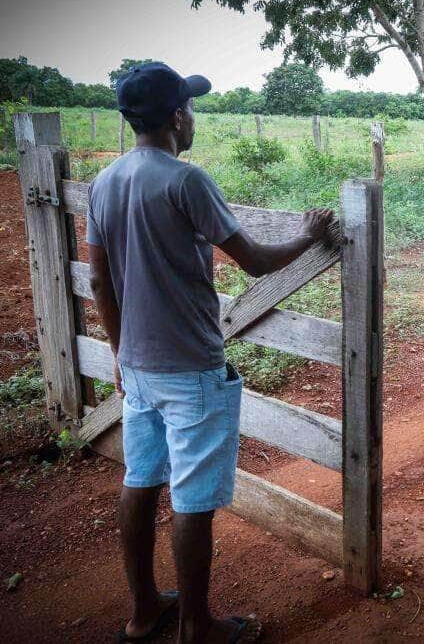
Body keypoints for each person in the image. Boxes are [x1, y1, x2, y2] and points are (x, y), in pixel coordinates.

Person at [87, 62, 335, 643]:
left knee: (141, 479)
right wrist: (308, 234)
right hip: (191, 366)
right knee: (193, 497)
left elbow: (100, 283)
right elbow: (252, 260)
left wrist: (120, 355)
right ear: (177, 116)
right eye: (189, 107)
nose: (192, 116)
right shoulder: (185, 181)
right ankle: (197, 626)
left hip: (138, 367)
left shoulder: (105, 183)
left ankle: (144, 610)